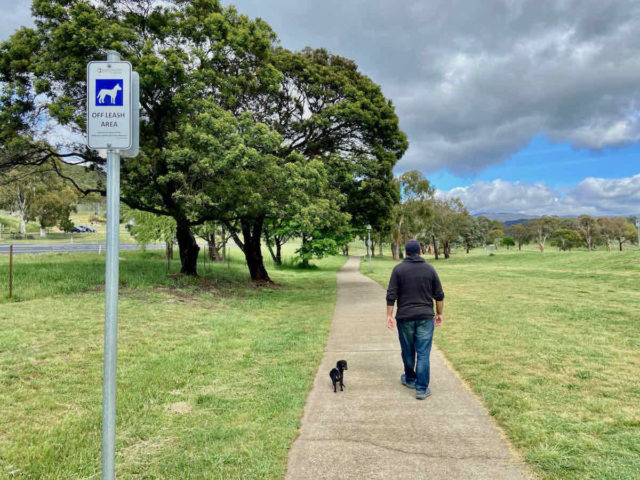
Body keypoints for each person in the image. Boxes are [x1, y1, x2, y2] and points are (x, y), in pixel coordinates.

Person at [386, 239, 444, 400]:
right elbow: (439, 295)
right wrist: (439, 313)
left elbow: (391, 295)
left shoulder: (398, 270)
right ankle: (421, 389)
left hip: (405, 317)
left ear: (405, 252)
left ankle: (410, 379)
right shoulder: (429, 269)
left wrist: (389, 315)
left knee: (408, 350)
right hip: (425, 317)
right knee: (423, 353)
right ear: (420, 252)